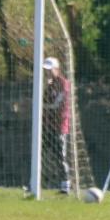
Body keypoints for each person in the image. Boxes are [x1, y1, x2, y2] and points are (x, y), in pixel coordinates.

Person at [42, 56, 71, 194]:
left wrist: (42, 106)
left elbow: (56, 105)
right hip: (46, 127)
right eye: (45, 70)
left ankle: (65, 185)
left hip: (59, 127)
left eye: (49, 70)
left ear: (57, 69)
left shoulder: (63, 84)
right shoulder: (48, 85)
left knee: (60, 156)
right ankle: (34, 183)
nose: (47, 73)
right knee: (39, 154)